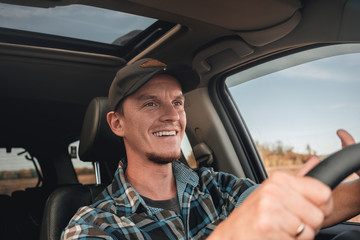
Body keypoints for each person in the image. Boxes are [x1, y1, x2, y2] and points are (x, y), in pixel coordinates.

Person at [62, 58, 360, 239]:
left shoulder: (216, 186)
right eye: (150, 103)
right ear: (117, 124)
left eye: (177, 102)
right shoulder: (94, 223)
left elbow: (290, 210)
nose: (172, 115)